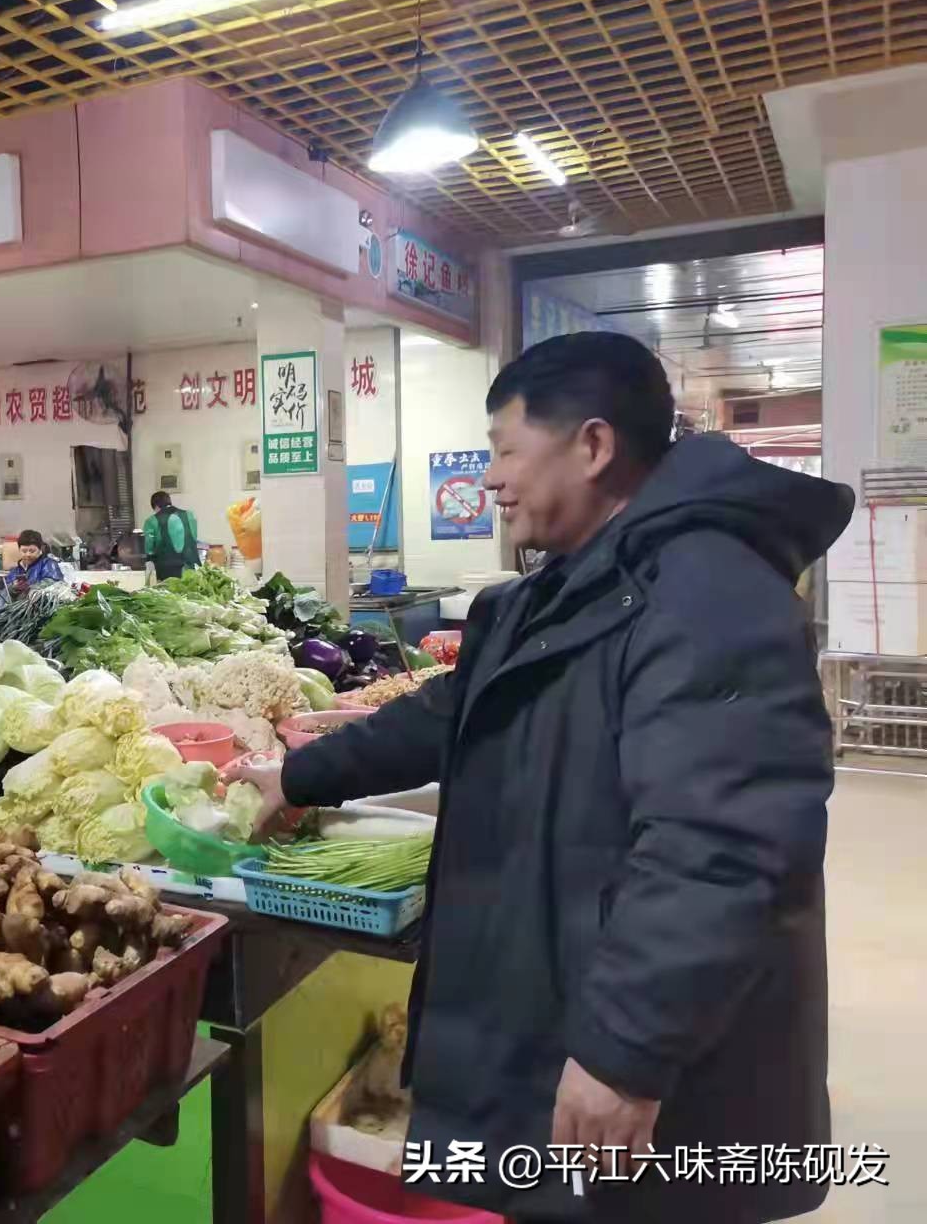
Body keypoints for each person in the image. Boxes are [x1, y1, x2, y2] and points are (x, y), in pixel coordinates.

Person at [234, 332, 850, 1224]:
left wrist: (625, 1055)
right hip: (557, 1000)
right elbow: (452, 711)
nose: (489, 476)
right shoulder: (562, 589)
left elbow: (718, 848)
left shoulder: (710, 594)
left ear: (593, 446)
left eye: (504, 449)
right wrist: (296, 774)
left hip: (664, 1074)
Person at [142, 490, 198, 580]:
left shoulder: (151, 521)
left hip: (166, 569)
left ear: (155, 506)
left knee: (169, 592)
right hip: (189, 566)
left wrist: (149, 560)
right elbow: (193, 538)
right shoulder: (189, 515)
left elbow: (149, 546)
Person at [5, 530, 65, 595]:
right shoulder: (15, 571)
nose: (28, 554)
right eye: (24, 551)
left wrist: (30, 587)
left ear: (40, 549)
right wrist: (14, 587)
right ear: (19, 550)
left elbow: (54, 582)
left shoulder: (48, 564)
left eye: (32, 551)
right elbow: (6, 590)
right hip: (22, 604)